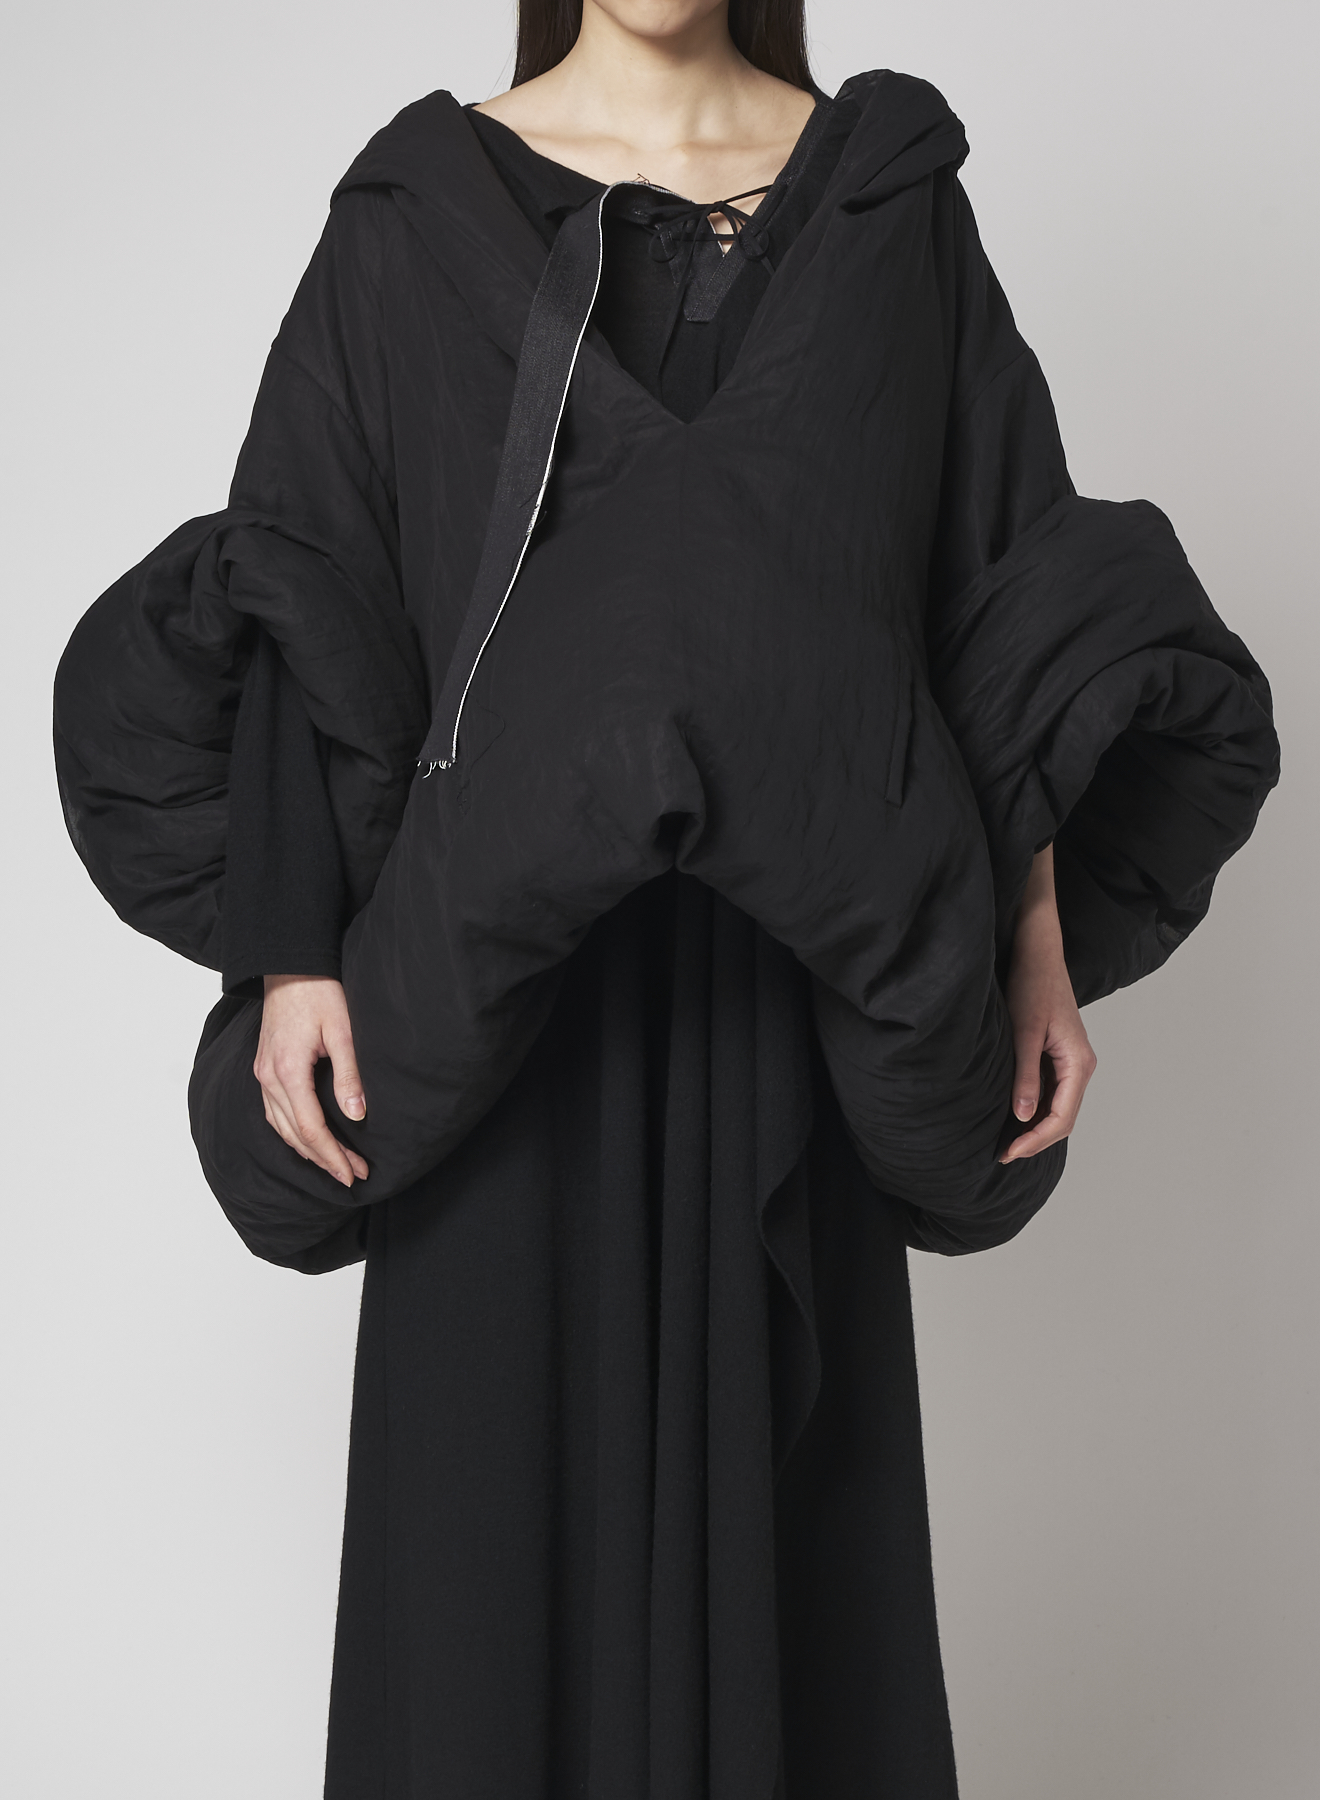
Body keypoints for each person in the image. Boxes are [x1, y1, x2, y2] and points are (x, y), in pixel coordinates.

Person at [53, 2, 1279, 1793]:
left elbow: (996, 595)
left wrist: (1032, 933)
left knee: (793, 1597)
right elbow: (303, 575)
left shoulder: (887, 209)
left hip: (795, 1000)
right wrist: (299, 952)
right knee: (490, 1616)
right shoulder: (414, 215)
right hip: (499, 1028)